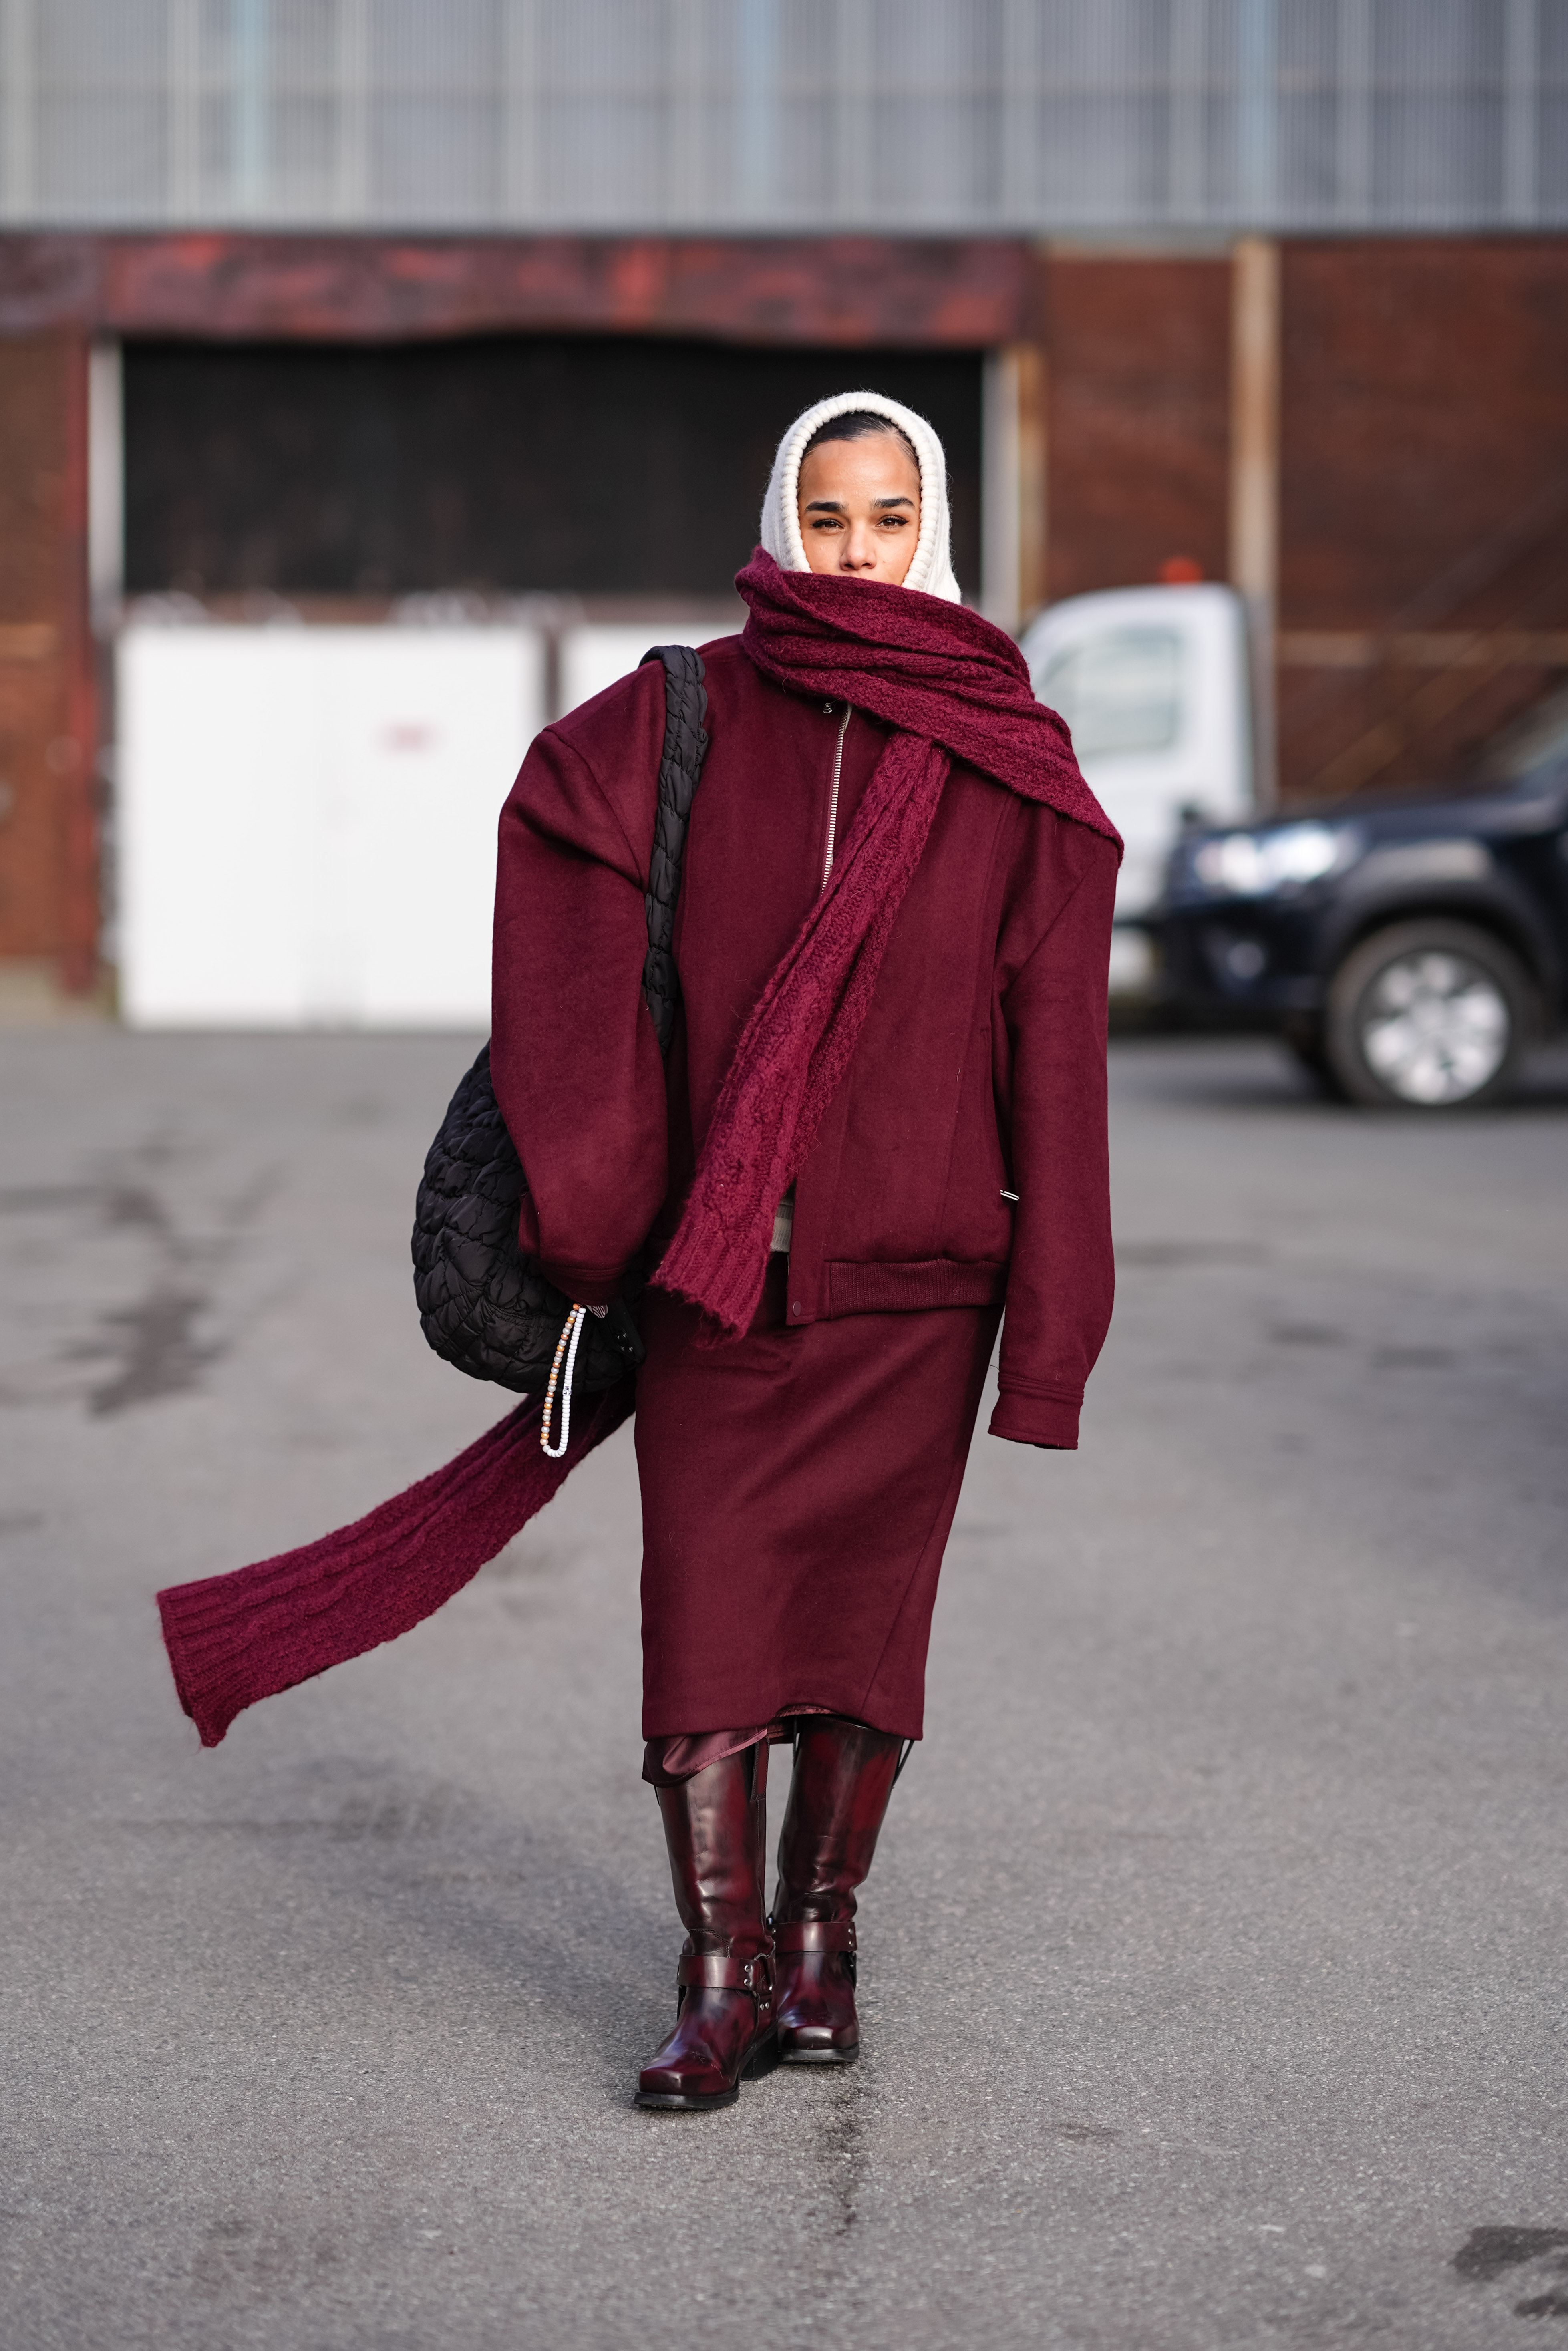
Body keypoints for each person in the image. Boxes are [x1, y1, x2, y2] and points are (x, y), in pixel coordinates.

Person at [488, 390, 1119, 2111]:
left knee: (858, 1630)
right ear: (785, 517)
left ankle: (821, 1957)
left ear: (935, 529)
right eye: (827, 520)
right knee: (702, 1616)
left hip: (920, 1282)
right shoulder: (691, 702)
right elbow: (554, 835)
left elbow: (1055, 1055)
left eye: (887, 521)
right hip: (715, 1273)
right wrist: (606, 1172)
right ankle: (717, 1979)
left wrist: (1054, 1327)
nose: (855, 553)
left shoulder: (1015, 754)